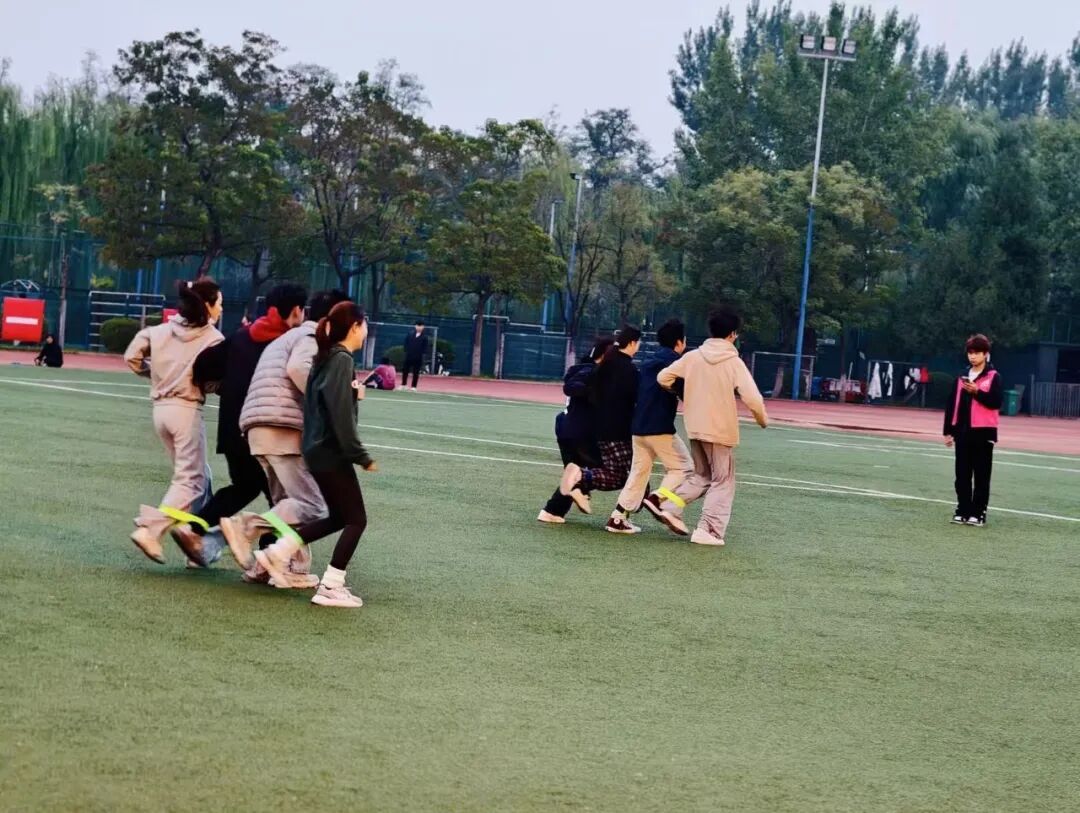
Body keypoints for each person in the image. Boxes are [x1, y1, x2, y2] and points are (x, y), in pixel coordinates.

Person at [171, 284, 310, 566]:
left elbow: (204, 365)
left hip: (232, 427)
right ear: (296, 310)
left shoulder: (242, 336)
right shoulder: (290, 343)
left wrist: (226, 385)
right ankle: (269, 560)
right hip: (266, 431)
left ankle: (193, 527)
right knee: (282, 498)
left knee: (245, 486)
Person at [251, 301, 377, 609]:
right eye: (364, 325)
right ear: (355, 326)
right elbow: (339, 415)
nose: (366, 332)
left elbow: (321, 403)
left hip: (315, 448)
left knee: (337, 517)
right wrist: (359, 454)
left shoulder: (326, 357)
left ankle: (277, 552)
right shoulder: (341, 359)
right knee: (357, 520)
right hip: (331, 450)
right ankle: (332, 585)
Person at [224, 289, 350, 587]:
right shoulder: (312, 338)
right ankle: (246, 527)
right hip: (282, 427)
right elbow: (297, 369)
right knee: (314, 506)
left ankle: (275, 567)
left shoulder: (287, 338)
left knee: (289, 504)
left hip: (259, 427)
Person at [123, 279, 224, 563]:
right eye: (219, 303)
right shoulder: (214, 338)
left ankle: (195, 542)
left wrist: (156, 375)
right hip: (186, 411)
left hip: (160, 411)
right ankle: (151, 530)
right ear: (207, 305)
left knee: (195, 476)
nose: (221, 309)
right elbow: (214, 380)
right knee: (191, 480)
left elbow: (131, 357)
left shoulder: (159, 331)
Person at [653, 308, 768, 546]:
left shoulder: (693, 357)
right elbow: (753, 398)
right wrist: (762, 419)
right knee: (723, 480)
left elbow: (663, 377)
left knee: (702, 476)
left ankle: (670, 507)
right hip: (720, 430)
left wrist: (681, 392)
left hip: (695, 426)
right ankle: (709, 530)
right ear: (733, 334)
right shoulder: (733, 362)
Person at [606, 319, 694, 534]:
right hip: (659, 427)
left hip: (638, 428)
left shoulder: (647, 363)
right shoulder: (677, 364)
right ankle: (657, 498)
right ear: (680, 342)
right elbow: (686, 393)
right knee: (683, 467)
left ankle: (618, 518)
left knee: (638, 472)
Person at [558, 325, 642, 514]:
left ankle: (574, 490)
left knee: (621, 474)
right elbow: (635, 398)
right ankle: (627, 510)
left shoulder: (602, 369)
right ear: (632, 343)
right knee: (629, 474)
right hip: (611, 430)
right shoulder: (621, 369)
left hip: (592, 429)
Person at [537, 336, 616, 524]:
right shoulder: (593, 372)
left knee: (574, 474)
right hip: (579, 431)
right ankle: (584, 494)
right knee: (606, 470)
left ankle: (552, 511)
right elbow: (572, 387)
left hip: (566, 427)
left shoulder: (583, 369)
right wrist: (594, 392)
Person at [943, 334, 1002, 527]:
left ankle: (978, 513)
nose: (973, 356)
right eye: (970, 353)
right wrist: (948, 431)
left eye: (976, 353)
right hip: (962, 432)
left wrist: (977, 392)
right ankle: (963, 510)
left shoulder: (993, 376)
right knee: (962, 475)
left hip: (983, 433)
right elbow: (952, 404)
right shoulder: (962, 376)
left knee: (982, 476)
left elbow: (996, 402)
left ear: (985, 354)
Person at [402, 320, 429, 391]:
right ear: (415, 326)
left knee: (416, 372)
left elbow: (425, 348)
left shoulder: (425, 337)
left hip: (418, 357)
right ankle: (403, 385)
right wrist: (407, 351)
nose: (419, 327)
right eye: (417, 325)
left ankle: (413, 386)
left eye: (421, 326)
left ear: (423, 327)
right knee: (405, 370)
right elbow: (406, 344)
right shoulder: (410, 334)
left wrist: (422, 355)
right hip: (409, 356)